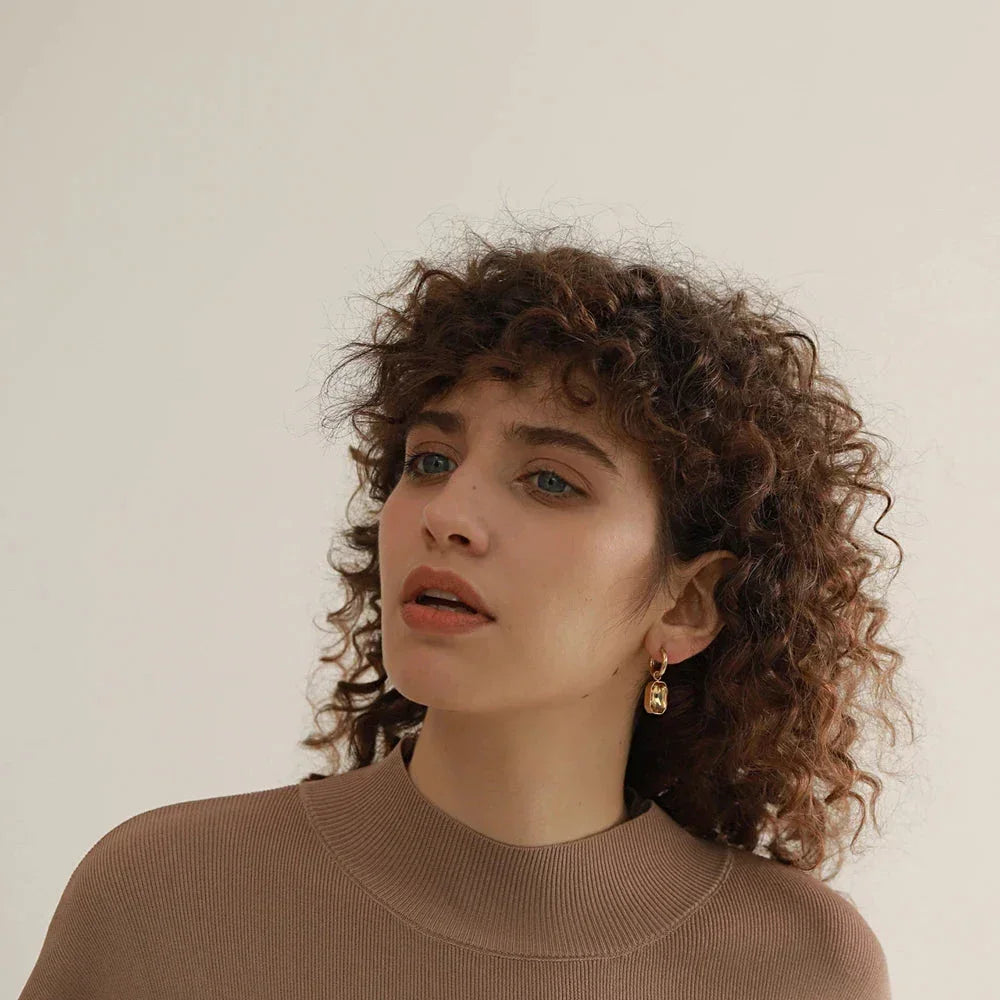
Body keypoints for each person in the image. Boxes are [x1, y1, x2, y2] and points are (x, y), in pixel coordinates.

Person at [19, 220, 913, 999]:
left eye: (550, 481)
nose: (445, 514)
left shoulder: (799, 966)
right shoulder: (167, 896)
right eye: (431, 462)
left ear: (684, 603)